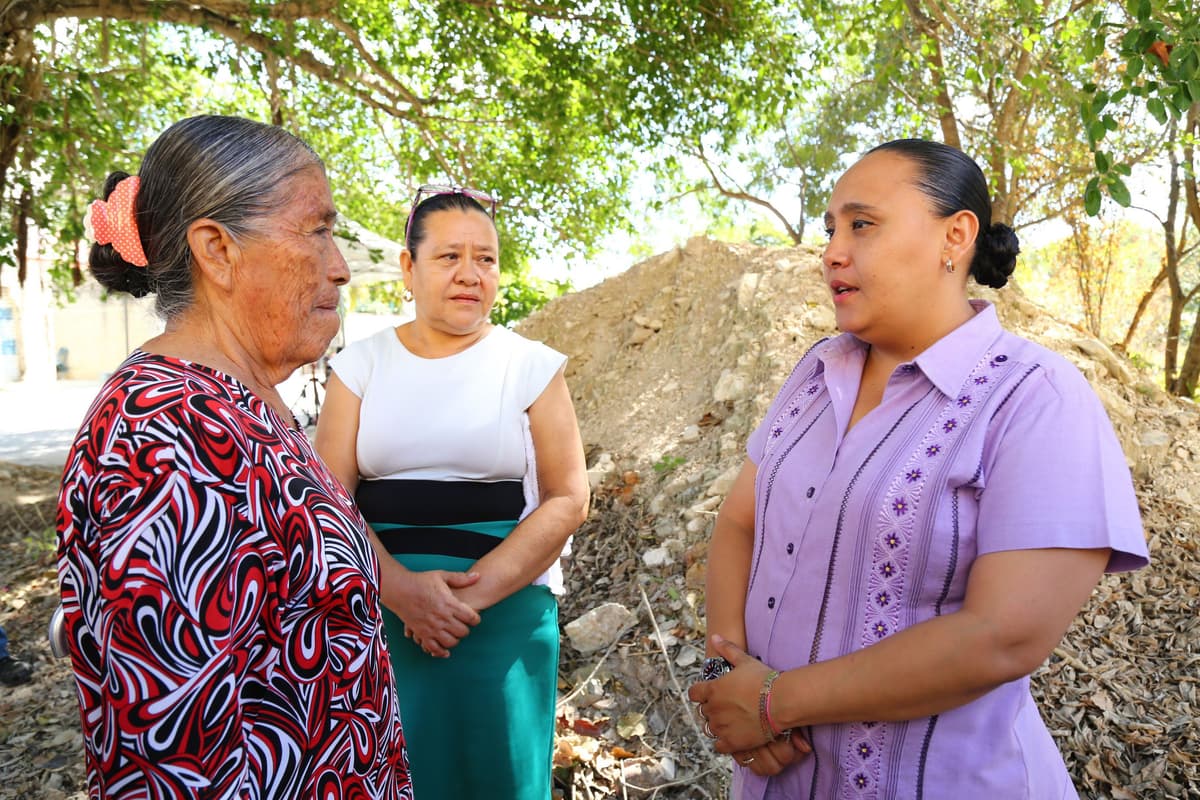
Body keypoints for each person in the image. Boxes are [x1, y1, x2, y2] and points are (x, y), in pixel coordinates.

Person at [687, 139, 1149, 798]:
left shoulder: (1033, 397)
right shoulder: (815, 375)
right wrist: (726, 671)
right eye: (830, 230)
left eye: (862, 224)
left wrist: (773, 705)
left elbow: (1003, 637)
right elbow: (739, 523)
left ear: (954, 237)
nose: (832, 252)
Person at [55, 115, 410, 799]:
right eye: (318, 230)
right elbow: (171, 758)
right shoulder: (164, 436)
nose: (338, 266)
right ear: (217, 249)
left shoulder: (243, 404)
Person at [315, 185, 589, 798]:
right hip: (378, 615)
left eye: (486, 258)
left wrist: (464, 601)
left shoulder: (531, 365)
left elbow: (569, 497)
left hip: (502, 614)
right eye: (448, 257)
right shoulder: (360, 366)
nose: (470, 274)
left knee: (500, 779)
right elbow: (329, 501)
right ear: (409, 270)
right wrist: (406, 595)